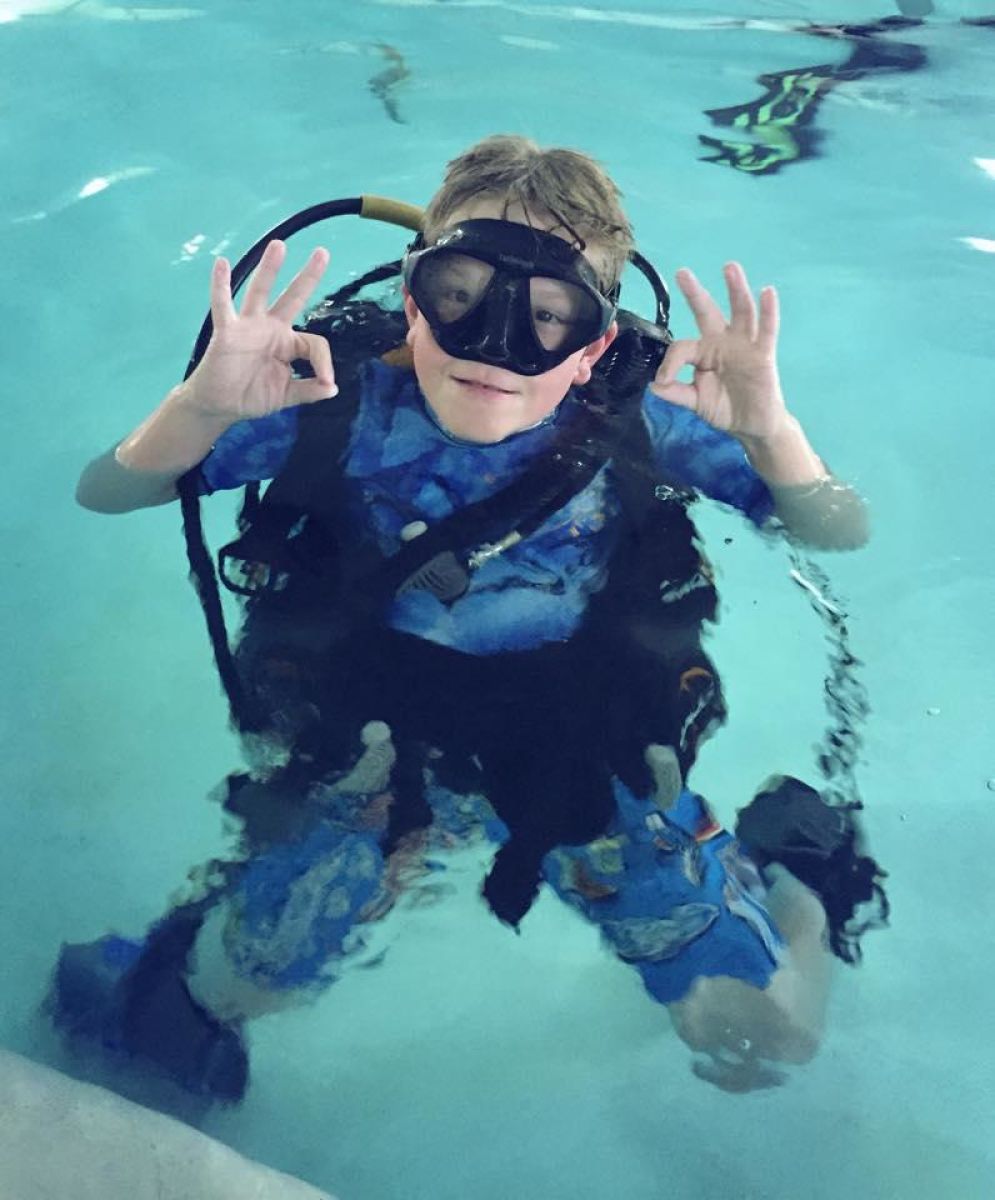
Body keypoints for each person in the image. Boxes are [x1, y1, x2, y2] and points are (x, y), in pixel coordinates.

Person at [59, 135, 882, 1101]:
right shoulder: (334, 396)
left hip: (581, 720)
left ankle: (801, 879)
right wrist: (198, 409)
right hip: (377, 716)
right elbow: (109, 492)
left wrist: (772, 434)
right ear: (414, 299)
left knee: (762, 1033)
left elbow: (835, 531)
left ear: (595, 345)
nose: (495, 346)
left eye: (548, 316)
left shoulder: (643, 411)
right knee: (229, 991)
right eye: (460, 295)